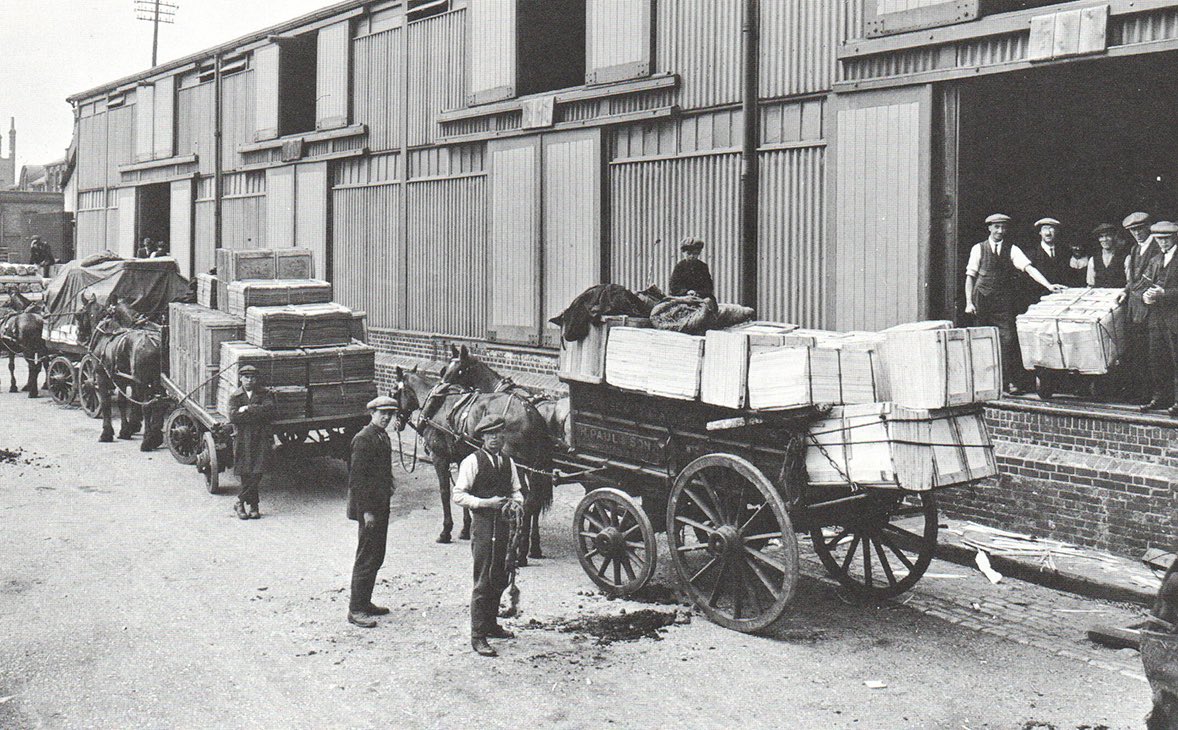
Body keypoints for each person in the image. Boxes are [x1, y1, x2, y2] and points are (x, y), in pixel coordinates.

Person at [964, 213, 1067, 394]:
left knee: (1008, 339)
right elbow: (970, 277)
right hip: (982, 299)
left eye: (1003, 227)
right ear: (989, 228)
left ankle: (1006, 383)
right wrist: (968, 302)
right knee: (982, 339)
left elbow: (1029, 268)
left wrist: (1048, 285)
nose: (1000, 231)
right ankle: (982, 384)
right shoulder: (978, 248)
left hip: (1002, 300)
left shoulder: (1012, 249)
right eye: (996, 227)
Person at [452, 415, 524, 658]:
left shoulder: (507, 461)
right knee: (483, 578)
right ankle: (478, 635)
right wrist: (485, 503)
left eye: (499, 434)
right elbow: (459, 495)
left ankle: (492, 625)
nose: (495, 439)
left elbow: (516, 490)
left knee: (501, 575)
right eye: (490, 435)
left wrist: (516, 504)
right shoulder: (472, 462)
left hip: (505, 527)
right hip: (483, 527)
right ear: (482, 437)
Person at [345, 396, 399, 629]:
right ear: (372, 413)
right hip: (369, 508)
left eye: (390, 414)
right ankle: (355, 609)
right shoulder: (363, 439)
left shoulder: (381, 435)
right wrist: (366, 511)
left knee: (376, 555)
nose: (386, 417)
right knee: (366, 557)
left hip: (380, 504)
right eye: (382, 413)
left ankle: (365, 602)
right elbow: (357, 480)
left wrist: (390, 484)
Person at [1120, 212, 1160, 404]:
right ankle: (1141, 393)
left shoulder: (1157, 247)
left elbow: (1153, 277)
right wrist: (1126, 291)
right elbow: (1134, 278)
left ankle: (1153, 394)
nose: (1136, 233)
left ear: (1148, 227)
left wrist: (1136, 292)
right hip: (1135, 306)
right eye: (1132, 231)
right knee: (1137, 350)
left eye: (1139, 229)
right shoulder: (1136, 248)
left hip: (1150, 307)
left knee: (1151, 352)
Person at [228, 365, 277, 519]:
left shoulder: (265, 393)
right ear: (240, 379)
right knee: (245, 472)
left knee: (258, 471)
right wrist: (257, 412)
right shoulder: (235, 396)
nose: (249, 380)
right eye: (246, 377)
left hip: (260, 437)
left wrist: (247, 409)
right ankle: (252, 506)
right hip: (243, 438)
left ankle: (240, 502)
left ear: (256, 379)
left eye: (252, 377)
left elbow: (269, 411)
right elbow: (233, 417)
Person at [1140, 221, 1178, 416]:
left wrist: (1165, 293)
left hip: (1175, 318)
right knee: (1157, 359)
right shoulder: (1155, 260)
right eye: (1159, 239)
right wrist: (1146, 296)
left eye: (1166, 239)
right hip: (1156, 318)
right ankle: (1160, 398)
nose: (1163, 243)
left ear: (1174, 238)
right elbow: (1144, 284)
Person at [1024, 217, 1071, 307]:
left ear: (1056, 231)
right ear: (1040, 233)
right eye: (1044, 229)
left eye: (1051, 229)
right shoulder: (1031, 254)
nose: (1048, 233)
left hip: (1061, 299)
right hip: (1039, 301)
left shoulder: (1064, 252)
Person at [669, 237, 715, 301]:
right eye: (689, 253)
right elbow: (673, 286)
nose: (692, 256)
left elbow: (709, 286)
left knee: (708, 303)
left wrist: (697, 292)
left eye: (695, 253)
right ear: (683, 253)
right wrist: (686, 292)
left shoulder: (703, 267)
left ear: (699, 253)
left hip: (700, 297)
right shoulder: (679, 267)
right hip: (682, 297)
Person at [1087, 223, 1127, 288]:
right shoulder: (1093, 260)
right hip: (1098, 296)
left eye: (1108, 236)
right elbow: (1091, 284)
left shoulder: (1125, 258)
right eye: (1101, 236)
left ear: (1114, 237)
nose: (1104, 239)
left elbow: (1130, 284)